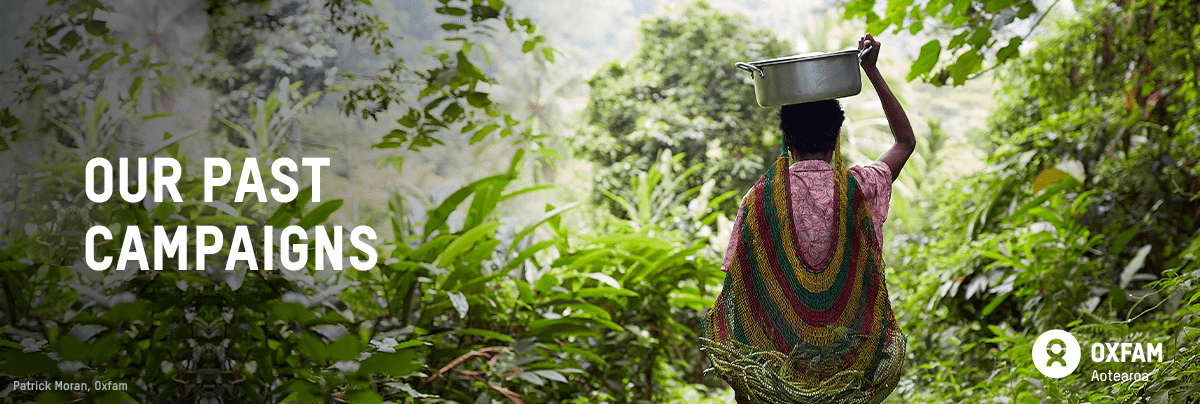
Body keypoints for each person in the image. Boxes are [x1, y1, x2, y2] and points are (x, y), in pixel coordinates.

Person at [700, 34, 915, 404]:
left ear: (788, 140)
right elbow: (904, 143)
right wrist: (872, 70)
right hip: (848, 369)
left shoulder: (759, 197)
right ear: (836, 137)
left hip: (779, 375)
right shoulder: (860, 187)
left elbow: (740, 288)